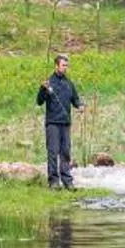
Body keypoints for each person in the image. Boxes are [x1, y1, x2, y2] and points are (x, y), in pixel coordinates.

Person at [36, 53, 82, 189]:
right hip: (52, 123)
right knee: (53, 152)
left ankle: (67, 181)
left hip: (66, 123)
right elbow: (39, 102)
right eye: (63, 65)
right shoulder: (48, 82)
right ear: (56, 66)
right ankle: (53, 182)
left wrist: (80, 106)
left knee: (66, 152)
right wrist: (42, 89)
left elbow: (75, 99)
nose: (65, 68)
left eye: (66, 65)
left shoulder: (69, 83)